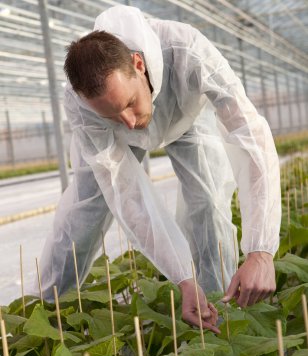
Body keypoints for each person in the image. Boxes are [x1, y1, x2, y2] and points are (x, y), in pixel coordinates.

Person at [38, 5, 281, 332]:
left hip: (187, 118)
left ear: (138, 65)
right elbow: (126, 192)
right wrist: (182, 276)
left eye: (127, 103)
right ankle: (46, 316)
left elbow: (250, 136)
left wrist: (261, 250)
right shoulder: (81, 106)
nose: (128, 121)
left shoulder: (188, 51)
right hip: (111, 141)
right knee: (81, 217)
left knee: (208, 203)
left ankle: (215, 315)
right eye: (111, 114)